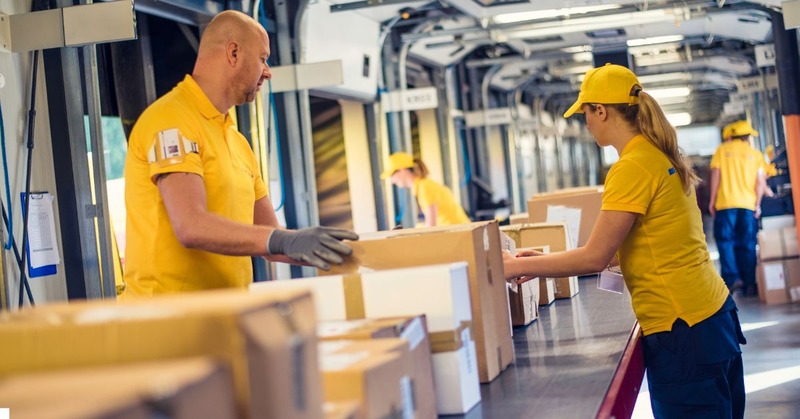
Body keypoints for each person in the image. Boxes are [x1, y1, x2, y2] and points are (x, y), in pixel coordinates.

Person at [503, 64, 746, 418]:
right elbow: (639, 245)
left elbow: (595, 258)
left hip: (682, 329)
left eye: (585, 112)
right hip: (711, 317)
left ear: (601, 110)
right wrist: (540, 258)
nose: (585, 123)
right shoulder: (658, 153)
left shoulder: (631, 166)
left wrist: (518, 267)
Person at [123, 10, 357, 297]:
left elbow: (272, 240)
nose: (268, 71)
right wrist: (283, 240)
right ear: (233, 53)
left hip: (224, 316)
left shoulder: (237, 142)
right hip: (167, 324)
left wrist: (356, 248)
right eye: (262, 58)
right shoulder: (171, 120)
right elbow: (191, 226)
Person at [708, 120, 766, 296]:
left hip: (725, 204)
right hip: (747, 205)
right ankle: (749, 282)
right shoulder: (755, 154)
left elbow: (716, 175)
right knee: (747, 243)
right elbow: (760, 182)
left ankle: (733, 279)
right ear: (747, 137)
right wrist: (757, 204)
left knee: (726, 242)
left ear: (729, 137)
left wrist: (712, 200)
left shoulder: (721, 150)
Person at [381, 151, 470, 226]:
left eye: (392, 175)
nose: (392, 181)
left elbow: (432, 225)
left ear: (402, 170)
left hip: (458, 236)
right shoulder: (423, 185)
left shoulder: (424, 187)